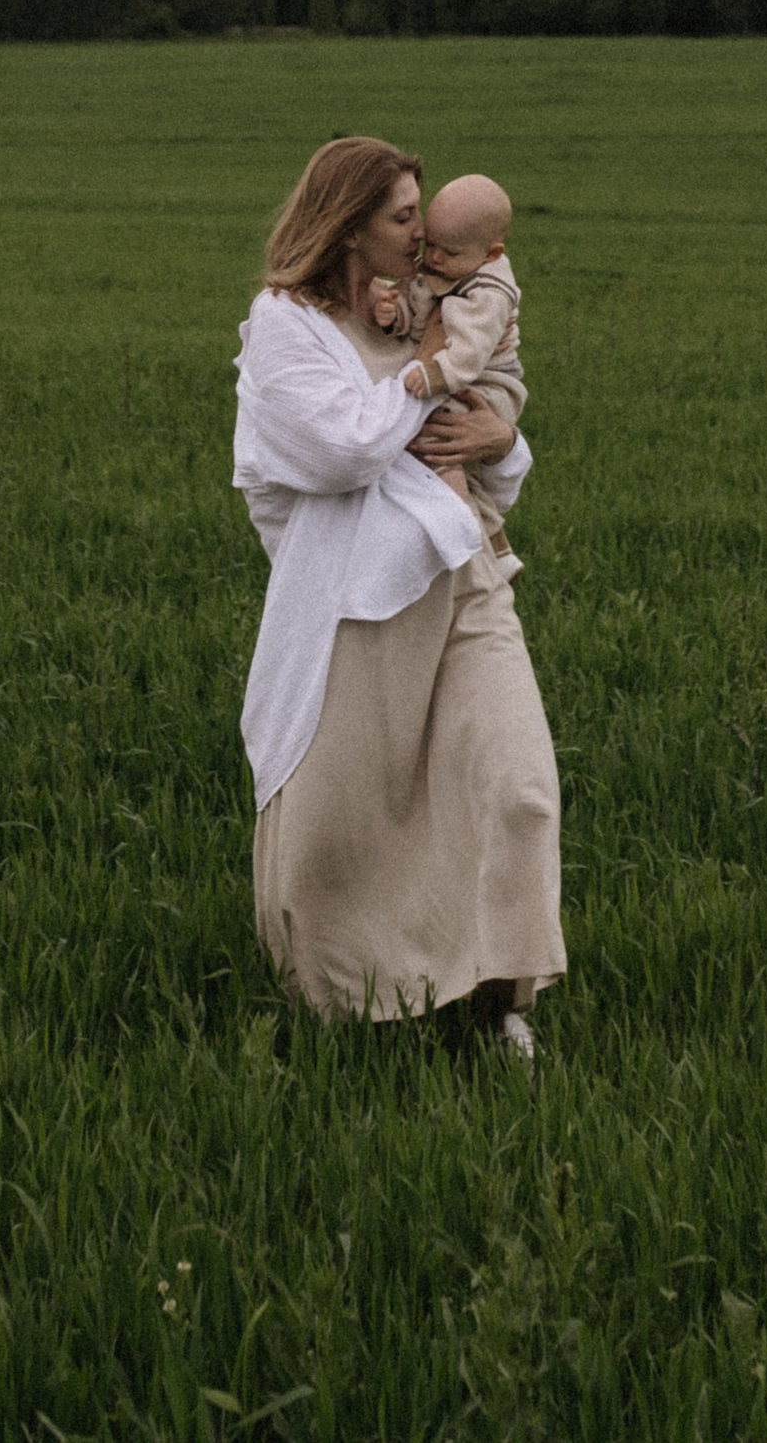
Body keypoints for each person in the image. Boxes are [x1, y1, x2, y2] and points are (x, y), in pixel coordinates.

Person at [232, 136, 566, 1058]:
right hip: (354, 601)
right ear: (347, 229)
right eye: (403, 217)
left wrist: (498, 437)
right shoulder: (284, 326)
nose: (424, 237)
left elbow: (484, 447)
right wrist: (430, 381)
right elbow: (340, 450)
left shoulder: (440, 309)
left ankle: (502, 1002)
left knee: (519, 788)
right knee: (345, 826)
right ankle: (348, 1008)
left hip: (467, 570)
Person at [373, 172, 526, 564]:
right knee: (450, 458)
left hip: (486, 386)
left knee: (436, 448)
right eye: (432, 244)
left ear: (491, 254)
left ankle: (468, 542)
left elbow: (470, 352)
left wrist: (431, 374)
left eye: (449, 252)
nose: (434, 258)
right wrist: (396, 316)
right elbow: (420, 309)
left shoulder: (489, 292)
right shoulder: (445, 267)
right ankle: (494, 545)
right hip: (454, 377)